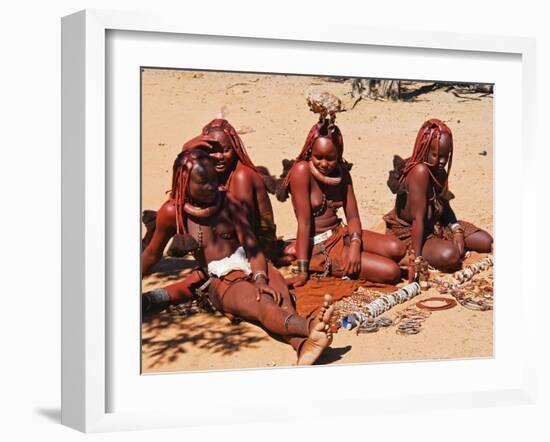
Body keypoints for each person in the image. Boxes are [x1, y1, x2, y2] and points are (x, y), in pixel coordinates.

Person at [142, 149, 335, 365]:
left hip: (254, 263)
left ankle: (303, 345)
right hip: (220, 278)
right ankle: (311, 327)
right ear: (184, 182)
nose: (212, 186)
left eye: (213, 179)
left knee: (283, 299)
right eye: (203, 182)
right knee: (264, 305)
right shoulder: (172, 212)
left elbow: (252, 246)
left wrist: (261, 277)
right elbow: (151, 254)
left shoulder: (228, 201)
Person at [276, 116, 406, 287]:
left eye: (330, 158)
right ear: (309, 152)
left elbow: (352, 217)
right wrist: (302, 272)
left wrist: (354, 245)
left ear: (339, 155)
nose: (324, 164)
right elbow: (304, 223)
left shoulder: (342, 172)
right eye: (318, 157)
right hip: (319, 246)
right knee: (391, 271)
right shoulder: (301, 171)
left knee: (398, 248)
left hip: (340, 233)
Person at [142, 118, 280, 263]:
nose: (219, 156)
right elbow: (183, 173)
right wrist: (187, 147)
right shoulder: (214, 172)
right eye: (213, 151)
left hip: (256, 250)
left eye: (226, 150)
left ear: (235, 148)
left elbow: (244, 228)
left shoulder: (241, 176)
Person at [383, 118, 493, 272]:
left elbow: (445, 206)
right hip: (411, 233)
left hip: (436, 224)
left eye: (445, 156)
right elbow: (417, 220)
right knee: (451, 255)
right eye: (436, 155)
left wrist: (457, 230)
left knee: (486, 241)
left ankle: (442, 243)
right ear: (425, 150)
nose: (441, 161)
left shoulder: (438, 171)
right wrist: (416, 260)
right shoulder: (419, 172)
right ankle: (416, 254)